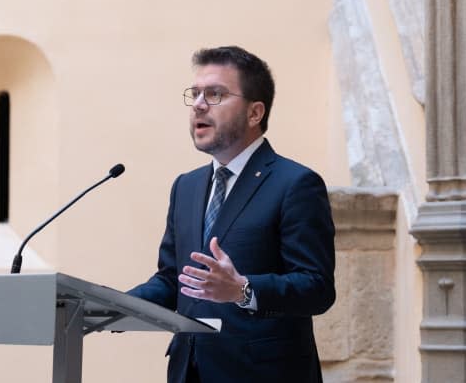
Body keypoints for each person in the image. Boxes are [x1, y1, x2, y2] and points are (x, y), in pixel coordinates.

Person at [128, 46, 336, 383]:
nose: (198, 104)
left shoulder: (295, 184)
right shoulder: (186, 187)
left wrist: (243, 290)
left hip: (263, 372)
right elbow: (173, 280)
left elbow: (317, 287)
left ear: (255, 113)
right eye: (195, 94)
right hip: (189, 371)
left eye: (215, 94)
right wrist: (113, 307)